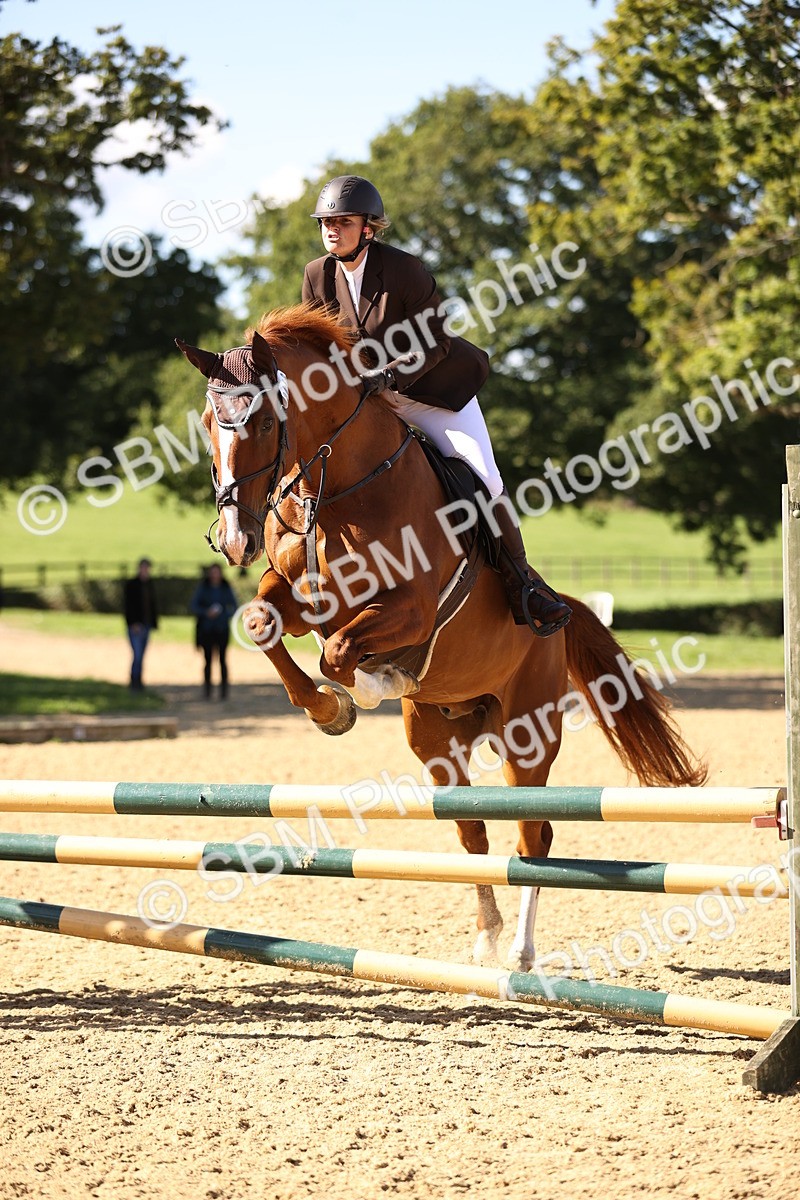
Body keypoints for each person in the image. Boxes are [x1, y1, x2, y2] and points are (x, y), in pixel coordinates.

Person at [302, 175, 571, 637]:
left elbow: (436, 340)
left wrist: (391, 377)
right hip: (368, 402)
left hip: (431, 393)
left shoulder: (405, 270)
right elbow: (317, 345)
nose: (332, 230)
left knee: (483, 474)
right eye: (326, 222)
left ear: (369, 228)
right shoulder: (316, 274)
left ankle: (523, 583)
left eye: (342, 222)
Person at [190, 564, 238, 699]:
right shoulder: (203, 588)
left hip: (222, 629)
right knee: (208, 661)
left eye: (217, 572)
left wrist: (224, 615)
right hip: (207, 630)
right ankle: (207, 691)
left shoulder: (225, 587)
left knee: (223, 660)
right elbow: (194, 605)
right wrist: (206, 613)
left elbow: (234, 606)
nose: (215, 575)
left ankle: (224, 692)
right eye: (213, 572)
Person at [123, 558, 158, 690]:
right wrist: (133, 623)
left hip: (146, 624)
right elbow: (128, 607)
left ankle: (139, 681)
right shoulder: (132, 585)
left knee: (142, 655)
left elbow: (152, 606)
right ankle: (134, 681)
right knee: (137, 655)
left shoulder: (149, 585)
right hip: (136, 626)